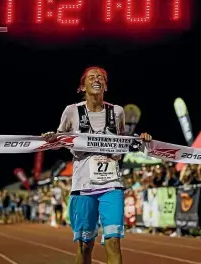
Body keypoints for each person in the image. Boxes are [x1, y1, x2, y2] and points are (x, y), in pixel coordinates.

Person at [42, 66, 152, 264]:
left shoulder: (117, 112)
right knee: (85, 246)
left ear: (105, 85)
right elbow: (59, 140)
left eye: (100, 77)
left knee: (113, 242)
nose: (96, 79)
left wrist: (140, 139)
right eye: (91, 77)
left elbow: (122, 141)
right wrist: (51, 138)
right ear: (82, 86)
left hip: (111, 185)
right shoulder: (72, 111)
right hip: (83, 186)